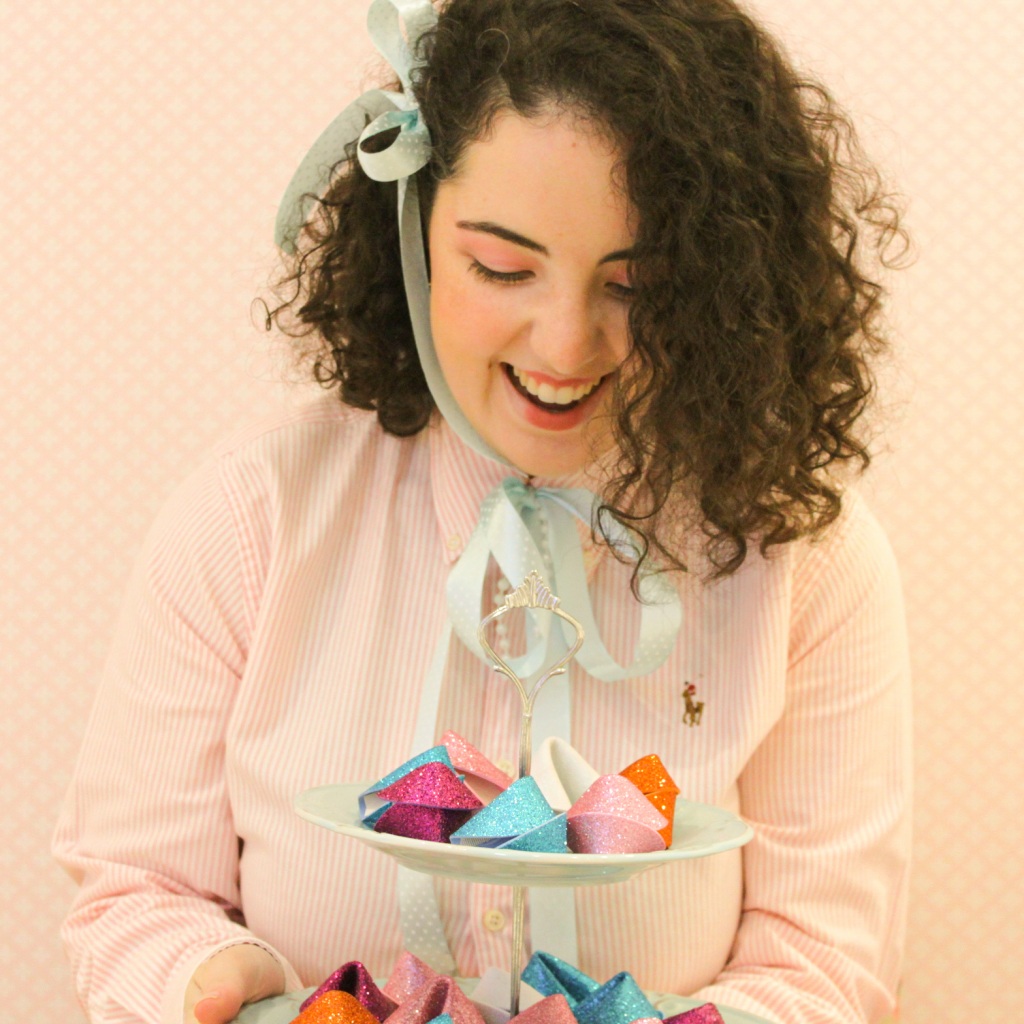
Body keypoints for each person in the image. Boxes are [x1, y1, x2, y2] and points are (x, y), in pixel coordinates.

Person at [53, 1, 912, 1023]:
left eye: (636, 285)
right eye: (502, 268)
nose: (565, 345)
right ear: (412, 235)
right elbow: (135, 893)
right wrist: (206, 980)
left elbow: (822, 961)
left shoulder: (802, 556)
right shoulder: (254, 514)